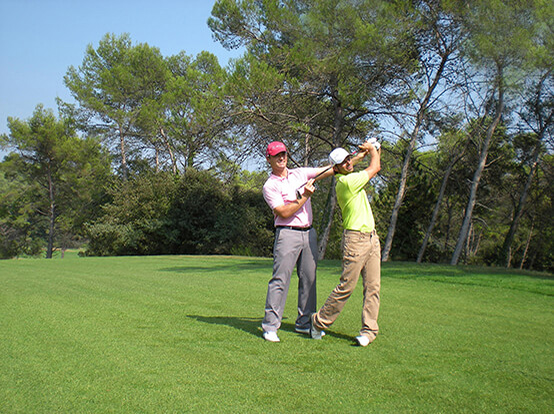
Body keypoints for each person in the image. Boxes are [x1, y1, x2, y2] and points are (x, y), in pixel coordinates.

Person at [310, 138, 381, 346]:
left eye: (348, 159)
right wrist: (373, 150)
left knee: (373, 287)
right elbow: (375, 167)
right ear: (336, 168)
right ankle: (318, 322)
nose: (348, 163)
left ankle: (368, 331)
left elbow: (356, 162)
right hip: (355, 240)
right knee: (347, 287)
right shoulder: (346, 183)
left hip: (371, 238)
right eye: (343, 162)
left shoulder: (348, 172)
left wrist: (363, 153)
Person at [261, 141, 334, 342]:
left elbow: (326, 170)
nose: (281, 158)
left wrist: (350, 159)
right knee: (280, 280)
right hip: (287, 233)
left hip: (308, 233)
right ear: (269, 159)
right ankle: (270, 326)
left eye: (283, 154)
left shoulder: (299, 174)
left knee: (309, 279)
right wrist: (304, 197)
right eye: (276, 155)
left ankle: (304, 323)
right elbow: (283, 212)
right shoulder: (270, 185)